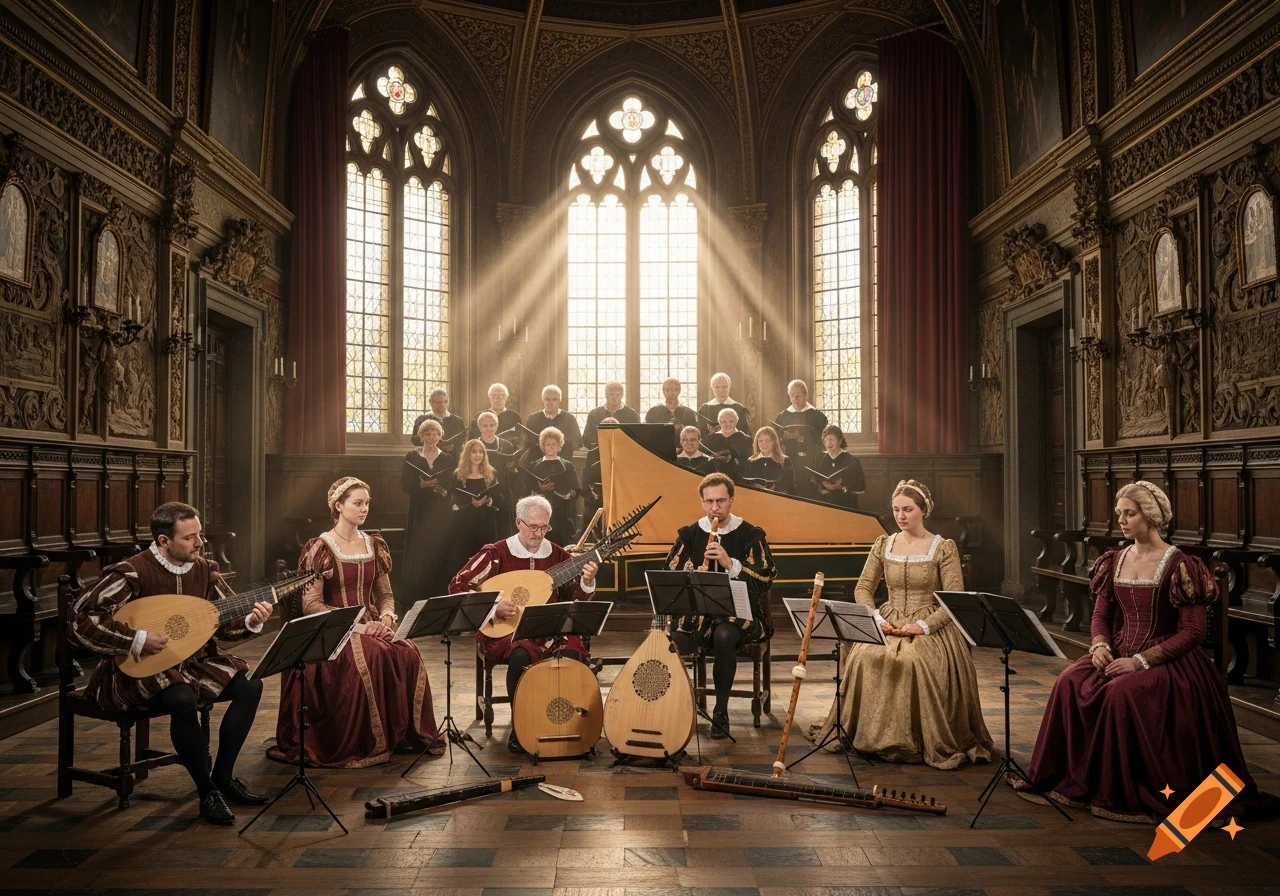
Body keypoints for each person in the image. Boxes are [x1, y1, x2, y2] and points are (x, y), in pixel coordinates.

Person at [1011, 481, 1262, 823]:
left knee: (1120, 694)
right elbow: (1101, 615)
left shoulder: (1180, 565)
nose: (1122, 520)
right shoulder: (1114, 559)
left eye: (1129, 513)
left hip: (1170, 661)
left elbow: (1192, 632)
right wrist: (1100, 644)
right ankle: (1075, 777)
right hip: (1120, 649)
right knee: (1068, 681)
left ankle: (1120, 789)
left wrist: (1140, 661)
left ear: (1152, 516)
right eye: (1120, 513)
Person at [71, 502, 271, 825]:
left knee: (251, 686)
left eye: (199, 535)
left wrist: (251, 620)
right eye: (190, 538)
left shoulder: (204, 569)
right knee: (182, 698)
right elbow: (82, 617)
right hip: (138, 667)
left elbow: (222, 622)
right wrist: (136, 639)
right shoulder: (133, 571)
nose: (199, 543)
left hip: (193, 662)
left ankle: (222, 779)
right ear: (164, 541)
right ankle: (207, 793)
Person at [808, 480, 993, 769]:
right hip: (887, 619)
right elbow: (863, 587)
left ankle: (913, 740)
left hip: (931, 624)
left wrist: (923, 626)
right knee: (863, 657)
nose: (900, 516)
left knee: (912, 660)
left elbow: (954, 599)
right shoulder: (884, 544)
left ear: (923, 510)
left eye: (908, 509)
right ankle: (868, 736)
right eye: (896, 509)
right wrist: (876, 617)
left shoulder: (942, 548)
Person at [269, 479, 439, 769]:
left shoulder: (374, 544)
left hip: (372, 622)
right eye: (357, 503)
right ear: (339, 506)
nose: (364, 509)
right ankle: (365, 740)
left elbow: (384, 594)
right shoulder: (321, 547)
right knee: (373, 654)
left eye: (367, 503)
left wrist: (386, 617)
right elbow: (312, 605)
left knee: (407, 650)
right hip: (332, 627)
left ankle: (400, 734)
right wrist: (356, 626)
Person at [450, 495, 599, 753]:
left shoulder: (558, 555)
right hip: (505, 631)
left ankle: (567, 724)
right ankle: (521, 728)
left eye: (544, 527)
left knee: (573, 653)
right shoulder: (496, 554)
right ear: (518, 522)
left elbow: (574, 600)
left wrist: (587, 581)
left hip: (549, 630)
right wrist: (494, 605)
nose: (538, 533)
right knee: (521, 655)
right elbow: (458, 585)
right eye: (533, 526)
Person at [666, 473, 776, 739]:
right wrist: (692, 572)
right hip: (698, 616)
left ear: (732, 500)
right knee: (673, 642)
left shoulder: (750, 534)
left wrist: (730, 564)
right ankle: (674, 711)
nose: (715, 508)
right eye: (709, 502)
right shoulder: (690, 534)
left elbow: (765, 580)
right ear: (702, 503)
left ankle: (720, 712)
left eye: (721, 501)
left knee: (724, 635)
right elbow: (670, 575)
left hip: (739, 615)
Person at [398, 417, 455, 613]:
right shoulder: (412, 456)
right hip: (419, 509)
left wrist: (441, 488)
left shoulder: (447, 459)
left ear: (440, 436)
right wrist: (421, 485)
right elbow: (404, 484)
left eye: (435, 434)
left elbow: (452, 484)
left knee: (438, 548)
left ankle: (437, 596)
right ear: (421, 436)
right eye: (428, 434)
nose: (431, 438)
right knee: (419, 549)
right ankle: (415, 598)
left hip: (439, 510)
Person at [449, 439, 507, 571]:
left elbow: (500, 498)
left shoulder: (491, 473)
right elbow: (452, 499)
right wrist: (467, 502)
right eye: (474, 451)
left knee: (487, 559)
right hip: (464, 522)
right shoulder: (458, 474)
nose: (478, 455)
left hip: (486, 522)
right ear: (467, 454)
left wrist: (488, 500)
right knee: (465, 560)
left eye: (481, 452)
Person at [527, 427, 579, 548]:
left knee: (560, 545)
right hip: (540, 511)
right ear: (543, 446)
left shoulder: (568, 466)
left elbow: (576, 489)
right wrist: (540, 489)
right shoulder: (534, 465)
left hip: (561, 511)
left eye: (553, 444)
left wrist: (569, 495)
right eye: (548, 444)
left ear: (559, 446)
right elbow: (526, 489)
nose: (550, 447)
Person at [807, 424, 865, 508]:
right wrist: (821, 489)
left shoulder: (852, 461)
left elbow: (861, 487)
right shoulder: (818, 460)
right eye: (826, 440)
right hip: (824, 505)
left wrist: (842, 487)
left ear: (840, 441)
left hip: (846, 505)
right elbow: (812, 484)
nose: (828, 443)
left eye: (831, 440)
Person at [774, 380, 828, 466]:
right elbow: (775, 440)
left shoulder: (818, 416)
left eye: (799, 395)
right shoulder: (782, 416)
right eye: (792, 395)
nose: (795, 398)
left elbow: (822, 440)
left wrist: (801, 438)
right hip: (789, 460)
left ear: (805, 395)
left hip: (812, 460)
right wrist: (783, 438)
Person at [581, 417, 616, 534]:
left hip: (615, 497)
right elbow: (586, 478)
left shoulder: (623, 452)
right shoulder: (592, 453)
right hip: (596, 497)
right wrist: (591, 494)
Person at [526, 385, 580, 458]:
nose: (550, 403)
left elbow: (576, 444)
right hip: (538, 463)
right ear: (543, 400)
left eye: (554, 400)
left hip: (562, 462)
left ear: (559, 400)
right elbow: (527, 445)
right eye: (547, 399)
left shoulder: (570, 419)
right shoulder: (533, 419)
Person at [582, 381, 640, 448]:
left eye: (617, 394)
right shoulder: (594, 414)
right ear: (606, 395)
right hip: (599, 452)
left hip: (624, 452)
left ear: (622, 395)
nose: (614, 397)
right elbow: (586, 439)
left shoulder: (632, 415)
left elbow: (637, 439)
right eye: (611, 394)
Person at [741, 425, 796, 494]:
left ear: (774, 442)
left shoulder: (784, 460)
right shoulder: (751, 461)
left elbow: (790, 485)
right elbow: (745, 484)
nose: (764, 443)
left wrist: (770, 488)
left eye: (767, 440)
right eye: (760, 441)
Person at [702, 407, 751, 479]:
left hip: (738, 480)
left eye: (731, 421)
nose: (727, 425)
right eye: (724, 422)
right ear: (719, 422)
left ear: (736, 421)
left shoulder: (745, 440)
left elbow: (747, 465)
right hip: (713, 479)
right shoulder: (709, 439)